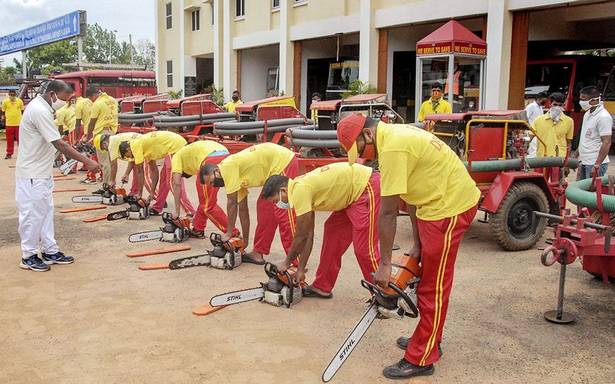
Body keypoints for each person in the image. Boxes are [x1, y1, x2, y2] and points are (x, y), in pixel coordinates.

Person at [337, 113, 480, 380]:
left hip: (449, 206)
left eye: (360, 149)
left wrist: (385, 264)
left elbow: (388, 213)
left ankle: (423, 356)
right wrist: (417, 244)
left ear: (368, 135)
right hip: (433, 204)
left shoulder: (393, 148)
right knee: (427, 278)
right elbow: (412, 197)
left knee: (433, 285)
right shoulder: (392, 137)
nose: (365, 156)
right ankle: (428, 337)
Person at [15, 80, 100, 272]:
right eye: (65, 98)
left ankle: (49, 250)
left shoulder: (43, 107)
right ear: (52, 94)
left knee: (45, 213)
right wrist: (87, 162)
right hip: (31, 174)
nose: (66, 103)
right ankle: (28, 255)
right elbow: (59, 144)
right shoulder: (39, 110)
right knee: (32, 214)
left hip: (41, 173)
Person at [262, 162, 380, 298]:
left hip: (366, 186)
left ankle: (384, 294)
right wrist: (300, 269)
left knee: (364, 249)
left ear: (283, 191)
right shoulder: (299, 188)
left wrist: (286, 263)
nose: (277, 205)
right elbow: (309, 233)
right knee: (332, 232)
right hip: (349, 196)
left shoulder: (299, 190)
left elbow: (301, 236)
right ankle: (322, 286)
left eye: (275, 201)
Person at [199, 143, 299, 264]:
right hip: (274, 167)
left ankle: (296, 260)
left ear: (216, 171)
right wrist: (244, 243)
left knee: (283, 211)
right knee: (264, 207)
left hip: (283, 162)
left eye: (211, 181)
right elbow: (243, 210)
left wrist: (229, 232)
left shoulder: (227, 168)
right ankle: (258, 252)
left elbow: (232, 203)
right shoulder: (235, 177)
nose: (212, 186)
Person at [172, 140, 238, 238]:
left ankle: (233, 234)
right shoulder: (190, 151)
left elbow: (176, 183)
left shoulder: (176, 156)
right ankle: (198, 228)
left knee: (208, 206)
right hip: (225, 155)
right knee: (206, 200)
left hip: (210, 160)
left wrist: (177, 212)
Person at [119, 130, 194, 216]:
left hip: (174, 147)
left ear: (128, 149)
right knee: (164, 179)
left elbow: (140, 172)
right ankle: (157, 207)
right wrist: (152, 192)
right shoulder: (145, 148)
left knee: (173, 182)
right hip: (173, 145)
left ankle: (190, 211)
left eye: (129, 156)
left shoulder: (135, 146)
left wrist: (139, 194)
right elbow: (154, 171)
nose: (131, 158)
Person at [93, 132, 153, 197]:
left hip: (144, 147)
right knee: (137, 172)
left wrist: (112, 181)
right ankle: (134, 192)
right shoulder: (116, 140)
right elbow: (132, 159)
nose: (106, 150)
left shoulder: (112, 143)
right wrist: (126, 174)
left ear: (104, 144)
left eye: (103, 148)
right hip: (140, 147)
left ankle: (155, 196)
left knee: (145, 175)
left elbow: (113, 164)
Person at [82, 87, 118, 188]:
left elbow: (92, 123)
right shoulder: (113, 100)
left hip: (102, 134)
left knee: (104, 162)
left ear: (93, 95)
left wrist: (87, 137)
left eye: (90, 99)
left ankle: (106, 187)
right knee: (112, 162)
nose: (91, 101)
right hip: (112, 133)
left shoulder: (97, 104)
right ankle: (112, 184)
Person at [575, 85, 613, 180]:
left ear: (594, 100)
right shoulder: (587, 114)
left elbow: (607, 142)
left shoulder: (603, 117)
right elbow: (585, 138)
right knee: (580, 192)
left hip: (594, 164)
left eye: (583, 99)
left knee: (591, 193)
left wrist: (597, 165)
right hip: (584, 162)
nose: (581, 102)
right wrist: (576, 156)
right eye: (580, 99)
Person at [534, 92, 574, 158]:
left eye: (560, 105)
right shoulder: (538, 120)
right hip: (542, 158)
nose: (557, 107)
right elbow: (529, 137)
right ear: (550, 104)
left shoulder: (569, 121)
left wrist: (567, 161)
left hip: (560, 159)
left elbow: (569, 143)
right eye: (555, 104)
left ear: (563, 105)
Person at [75, 93, 95, 183]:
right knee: (96, 155)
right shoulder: (92, 101)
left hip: (89, 131)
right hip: (97, 130)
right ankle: (102, 176)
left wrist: (77, 138)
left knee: (89, 155)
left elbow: (78, 123)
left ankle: (91, 177)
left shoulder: (78, 105)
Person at [1, 89, 25, 159]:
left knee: (20, 140)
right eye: (11, 95)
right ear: (9, 95)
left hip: (18, 123)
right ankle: (9, 153)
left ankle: (22, 154)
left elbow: (22, 110)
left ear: (15, 94)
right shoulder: (5, 101)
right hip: (9, 123)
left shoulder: (19, 101)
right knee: (9, 140)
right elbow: (3, 111)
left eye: (13, 95)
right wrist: (3, 119)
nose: (12, 96)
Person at [525, 92, 548, 157]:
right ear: (538, 99)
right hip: (531, 130)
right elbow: (525, 117)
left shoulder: (540, 107)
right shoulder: (531, 106)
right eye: (543, 101)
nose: (544, 102)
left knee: (536, 148)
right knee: (533, 149)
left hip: (538, 131)